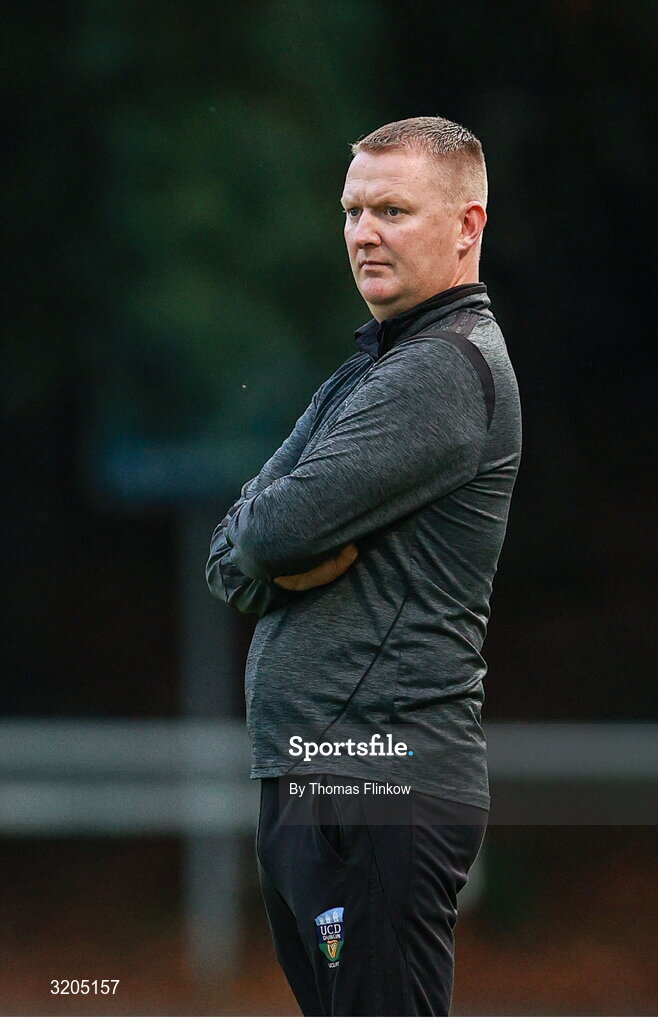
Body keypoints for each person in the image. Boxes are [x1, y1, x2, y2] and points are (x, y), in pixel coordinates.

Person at [206, 115, 522, 1016]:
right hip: (327, 776)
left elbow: (261, 538)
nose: (363, 232)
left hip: (375, 780)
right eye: (352, 210)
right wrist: (264, 550)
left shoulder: (442, 371)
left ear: (467, 227)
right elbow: (240, 545)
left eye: (392, 209)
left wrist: (265, 551)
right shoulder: (375, 365)